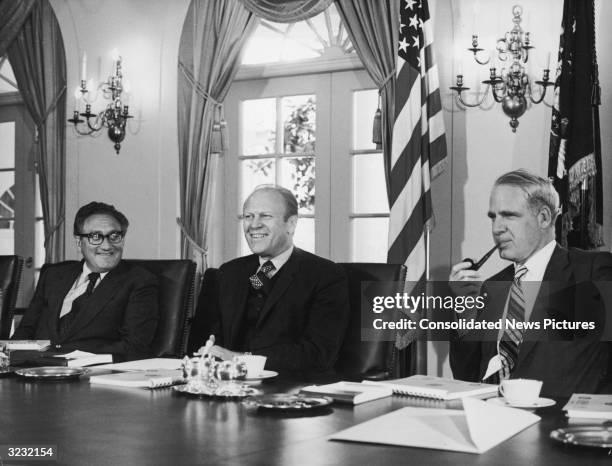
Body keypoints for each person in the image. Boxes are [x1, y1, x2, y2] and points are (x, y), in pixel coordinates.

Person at [449, 170, 612, 397]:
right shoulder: (491, 288)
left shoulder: (592, 272)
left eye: (509, 215)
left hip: (558, 424)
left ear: (544, 218)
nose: (497, 228)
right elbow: (466, 377)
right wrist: (464, 313)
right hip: (489, 418)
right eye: (493, 217)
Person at [198, 185, 350, 377]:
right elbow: (204, 340)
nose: (254, 225)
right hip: (226, 388)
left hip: (292, 391)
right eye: (248, 216)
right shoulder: (229, 272)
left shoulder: (325, 275)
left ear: (291, 224)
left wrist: (242, 359)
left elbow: (318, 353)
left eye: (265, 216)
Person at [13, 202, 158, 361]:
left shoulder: (139, 281)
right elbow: (25, 332)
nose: (106, 246)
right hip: (35, 370)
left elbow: (134, 346)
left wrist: (64, 356)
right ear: (78, 242)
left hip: (93, 376)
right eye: (95, 237)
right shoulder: (53, 275)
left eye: (114, 236)